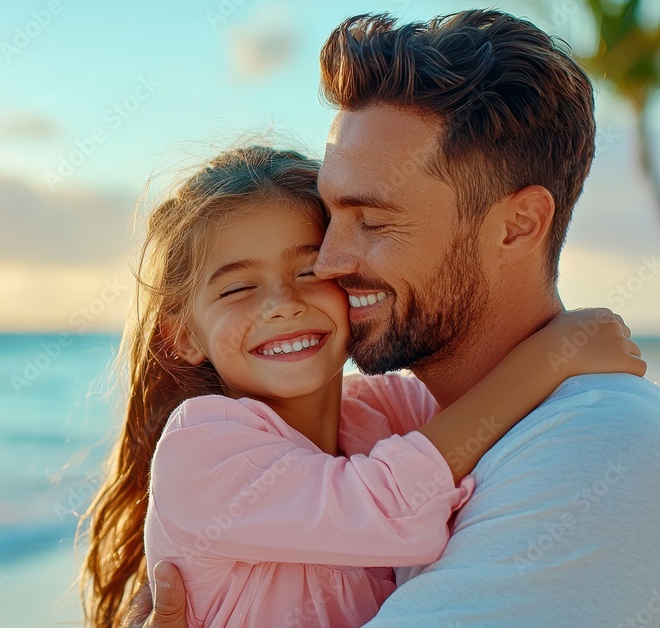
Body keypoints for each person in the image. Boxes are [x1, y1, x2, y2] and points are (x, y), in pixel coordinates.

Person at [125, 10, 660, 627]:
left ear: (517, 225)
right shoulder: (397, 421)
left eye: (372, 221)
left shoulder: (596, 449)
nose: (330, 261)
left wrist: (560, 355)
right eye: (330, 216)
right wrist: (553, 355)